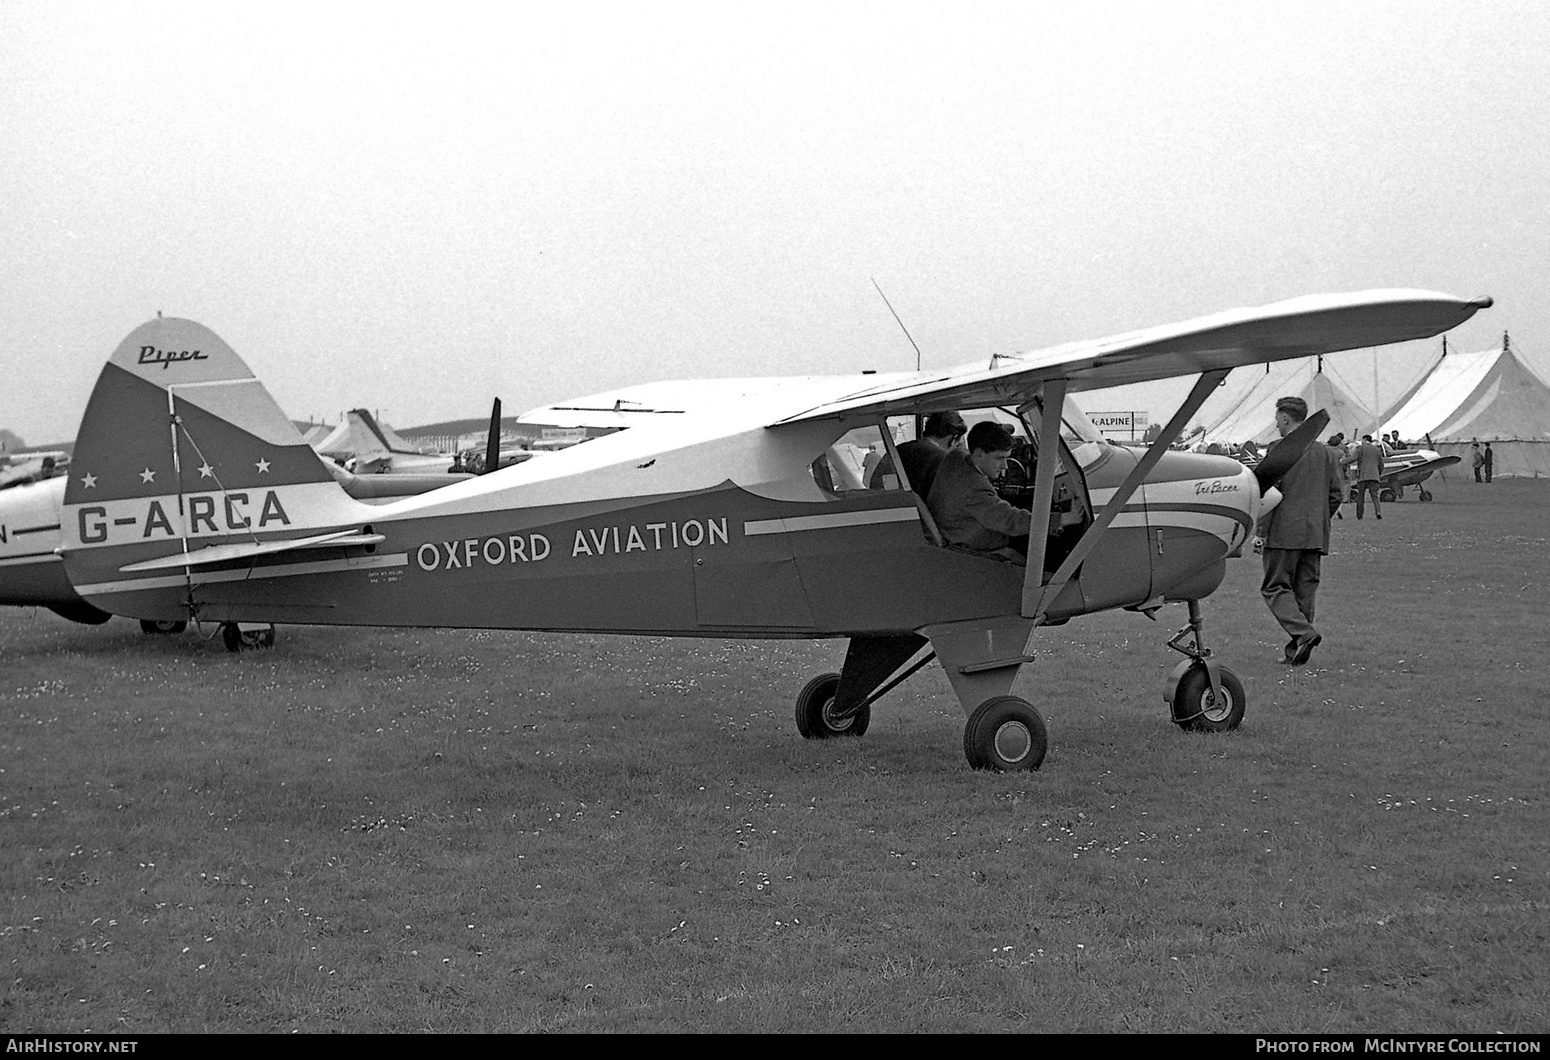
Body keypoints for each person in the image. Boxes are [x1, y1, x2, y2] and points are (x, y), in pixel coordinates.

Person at [1255, 397, 1344, 666]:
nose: (1276, 424)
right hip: (1314, 534)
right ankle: (1296, 652)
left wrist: (1260, 532)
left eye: (1277, 419)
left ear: (1285, 418)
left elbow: (1267, 492)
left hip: (1283, 532)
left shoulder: (1278, 449)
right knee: (1305, 591)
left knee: (1274, 587)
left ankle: (1304, 634)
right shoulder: (1328, 454)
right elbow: (1337, 494)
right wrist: (1317, 519)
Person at [925, 421, 1033, 560]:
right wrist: (1056, 520)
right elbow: (1009, 521)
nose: (1005, 466)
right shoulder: (973, 488)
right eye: (1000, 458)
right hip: (976, 549)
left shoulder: (957, 456)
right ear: (979, 454)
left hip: (959, 530)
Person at [871, 411, 966, 496]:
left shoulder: (898, 450)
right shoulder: (942, 458)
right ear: (954, 438)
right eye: (958, 443)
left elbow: (875, 483)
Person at [1346, 434, 1385, 519]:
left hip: (1363, 475)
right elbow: (1381, 464)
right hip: (1374, 475)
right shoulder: (1377, 450)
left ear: (1364, 439)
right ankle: (1378, 511)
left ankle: (1360, 515)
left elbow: (1353, 458)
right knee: (1375, 496)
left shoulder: (1361, 448)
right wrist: (1378, 474)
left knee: (1360, 496)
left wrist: (1342, 461)